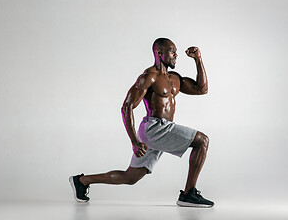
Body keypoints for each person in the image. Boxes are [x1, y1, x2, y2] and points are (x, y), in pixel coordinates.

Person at [69, 38, 214, 208]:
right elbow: (126, 107)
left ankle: (82, 181)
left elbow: (201, 89)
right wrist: (134, 142)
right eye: (172, 51)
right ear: (159, 53)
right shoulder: (149, 77)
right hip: (154, 128)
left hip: (159, 130)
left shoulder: (174, 78)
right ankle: (189, 194)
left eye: (176, 52)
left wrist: (198, 59)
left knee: (130, 177)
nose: (176, 55)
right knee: (202, 141)